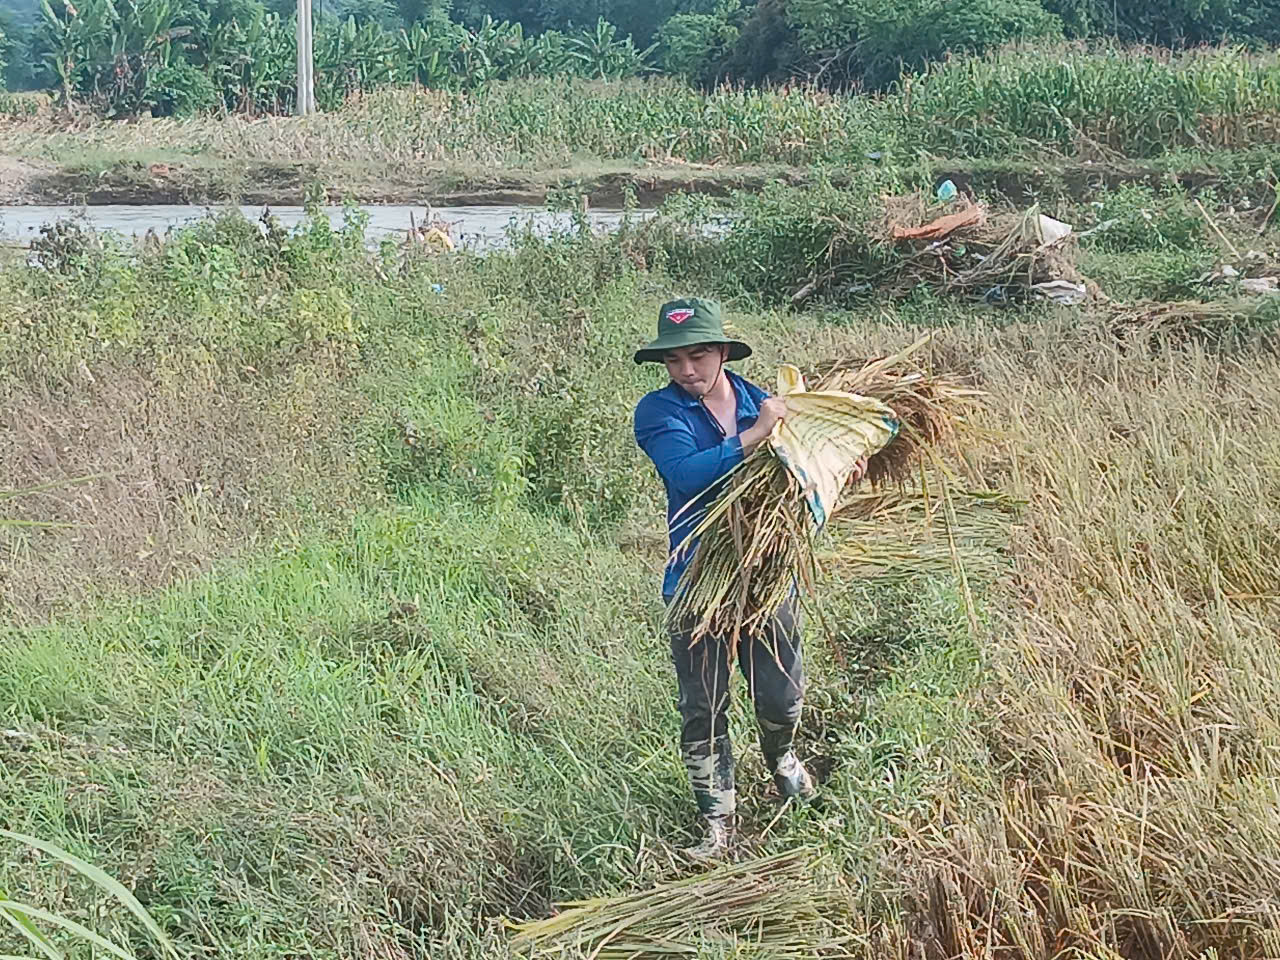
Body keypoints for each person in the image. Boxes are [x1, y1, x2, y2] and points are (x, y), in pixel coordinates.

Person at [632, 297, 864, 858]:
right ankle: (717, 820)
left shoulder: (763, 398)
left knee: (781, 694)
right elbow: (687, 476)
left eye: (699, 355)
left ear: (723, 352)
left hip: (765, 574)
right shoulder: (659, 413)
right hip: (697, 579)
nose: (687, 370)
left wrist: (840, 469)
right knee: (704, 705)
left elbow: (802, 475)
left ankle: (783, 759)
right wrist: (754, 435)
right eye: (675, 360)